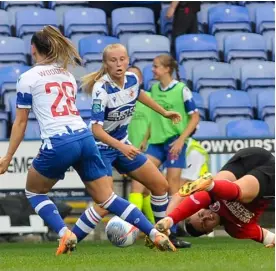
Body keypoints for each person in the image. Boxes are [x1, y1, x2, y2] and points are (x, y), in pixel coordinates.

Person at [0, 26, 176, 254]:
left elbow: (21, 123)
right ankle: (154, 233)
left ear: (33, 48)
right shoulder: (66, 75)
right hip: (84, 138)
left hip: (59, 141)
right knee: (108, 198)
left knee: (35, 192)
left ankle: (65, 233)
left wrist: (8, 156)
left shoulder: (27, 78)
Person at [69, 43, 181, 248]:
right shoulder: (101, 88)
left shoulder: (132, 79)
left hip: (122, 145)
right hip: (98, 148)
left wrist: (163, 112)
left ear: (128, 60)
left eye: (122, 59)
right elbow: (96, 130)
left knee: (160, 186)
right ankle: (70, 239)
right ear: (106, 63)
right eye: (113, 60)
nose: (119, 64)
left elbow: (138, 94)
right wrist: (122, 147)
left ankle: (164, 236)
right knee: (105, 203)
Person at [155, 147, 275, 248]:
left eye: (201, 215)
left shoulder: (208, 200)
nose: (207, 217)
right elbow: (267, 237)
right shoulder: (236, 230)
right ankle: (211, 184)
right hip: (268, 178)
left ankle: (211, 184)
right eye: (204, 224)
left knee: (213, 189)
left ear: (200, 210)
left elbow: (178, 196)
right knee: (242, 194)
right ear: (209, 231)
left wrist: (167, 222)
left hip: (250, 156)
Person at [127, 66, 154, 224]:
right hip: (128, 150)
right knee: (146, 191)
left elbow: (157, 123)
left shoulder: (150, 97)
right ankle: (157, 227)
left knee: (137, 189)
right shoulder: (121, 98)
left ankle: (130, 227)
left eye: (135, 76)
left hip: (149, 150)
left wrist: (145, 139)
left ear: (141, 80)